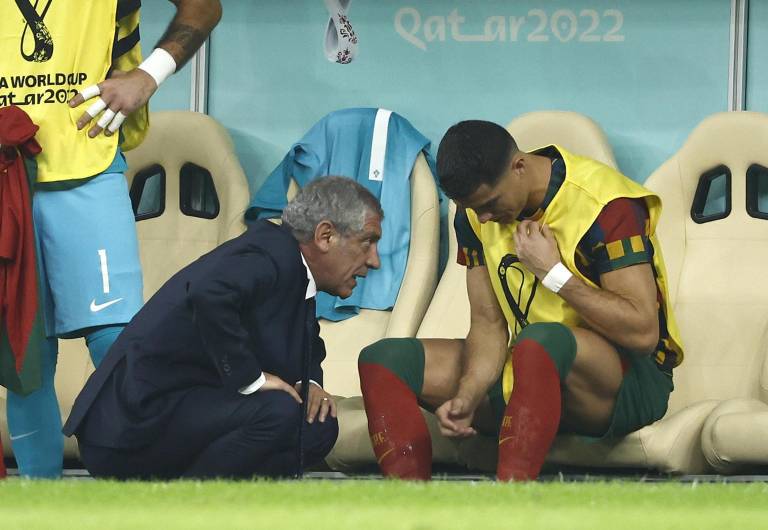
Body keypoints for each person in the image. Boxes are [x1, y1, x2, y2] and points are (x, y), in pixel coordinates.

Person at [358, 120, 684, 481]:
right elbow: (487, 324)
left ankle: (511, 505)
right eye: (473, 209)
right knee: (383, 360)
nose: (484, 218)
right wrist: (468, 393)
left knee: (541, 340)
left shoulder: (608, 206)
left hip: (622, 385)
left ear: (519, 167)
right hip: (528, 372)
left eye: (490, 203)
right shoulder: (473, 215)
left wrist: (554, 273)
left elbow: (642, 333)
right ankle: (406, 510)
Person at [0, 0, 222, 477]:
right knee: (26, 361)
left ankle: (146, 496)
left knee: (119, 348)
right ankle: (42, 512)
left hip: (86, 167)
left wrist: (148, 74)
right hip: (4, 173)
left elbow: (203, 6)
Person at [63, 176, 382, 479]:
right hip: (130, 426)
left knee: (316, 424)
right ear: (325, 236)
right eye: (367, 242)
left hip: (175, 414)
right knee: (280, 412)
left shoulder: (293, 269)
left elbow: (306, 338)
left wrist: (309, 382)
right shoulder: (268, 254)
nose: (374, 260)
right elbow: (209, 294)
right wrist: (251, 379)